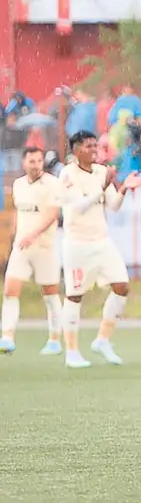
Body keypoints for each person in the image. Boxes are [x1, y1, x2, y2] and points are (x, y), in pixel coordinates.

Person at [60, 131, 141, 368]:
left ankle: (103, 340)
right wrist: (103, 185)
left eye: (96, 145)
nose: (95, 150)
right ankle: (72, 351)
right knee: (74, 295)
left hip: (102, 241)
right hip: (77, 243)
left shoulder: (101, 171)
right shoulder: (67, 174)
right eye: (89, 146)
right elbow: (80, 205)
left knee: (122, 286)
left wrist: (123, 188)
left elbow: (113, 205)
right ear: (77, 150)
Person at [0, 148, 64, 355]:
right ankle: (7, 337)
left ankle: (54, 339)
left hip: (44, 247)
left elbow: (52, 215)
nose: (36, 164)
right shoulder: (18, 184)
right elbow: (19, 212)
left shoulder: (52, 184)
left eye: (39, 161)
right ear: (24, 162)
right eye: (32, 161)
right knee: (10, 290)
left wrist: (33, 235)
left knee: (50, 294)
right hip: (21, 247)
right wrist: (15, 235)